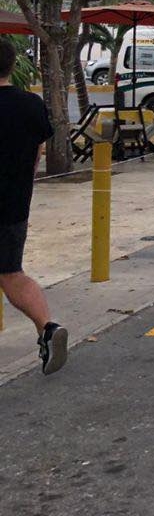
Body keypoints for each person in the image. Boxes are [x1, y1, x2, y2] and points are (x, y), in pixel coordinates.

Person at [0, 40, 67, 375]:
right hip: (14, 204)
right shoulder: (30, 104)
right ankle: (47, 327)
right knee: (11, 272)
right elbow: (37, 154)